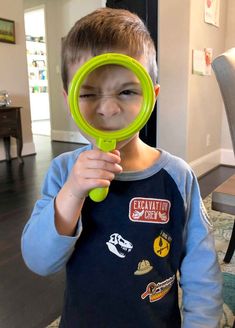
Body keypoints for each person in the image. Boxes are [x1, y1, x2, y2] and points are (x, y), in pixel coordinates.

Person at [21, 7, 222, 328]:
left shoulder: (178, 176)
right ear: (68, 99)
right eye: (88, 92)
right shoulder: (62, 172)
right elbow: (39, 261)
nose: (109, 108)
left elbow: (202, 269)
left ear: (151, 97)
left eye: (127, 91)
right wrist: (72, 193)